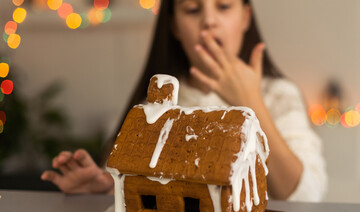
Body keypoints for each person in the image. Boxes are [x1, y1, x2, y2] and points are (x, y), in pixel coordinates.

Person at [41, 0, 327, 201]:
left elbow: (307, 195)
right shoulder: (158, 105)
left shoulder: (279, 95)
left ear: (245, 18)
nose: (209, 21)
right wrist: (104, 189)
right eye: (192, 8)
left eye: (224, 6)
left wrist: (250, 101)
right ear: (174, 27)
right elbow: (140, 193)